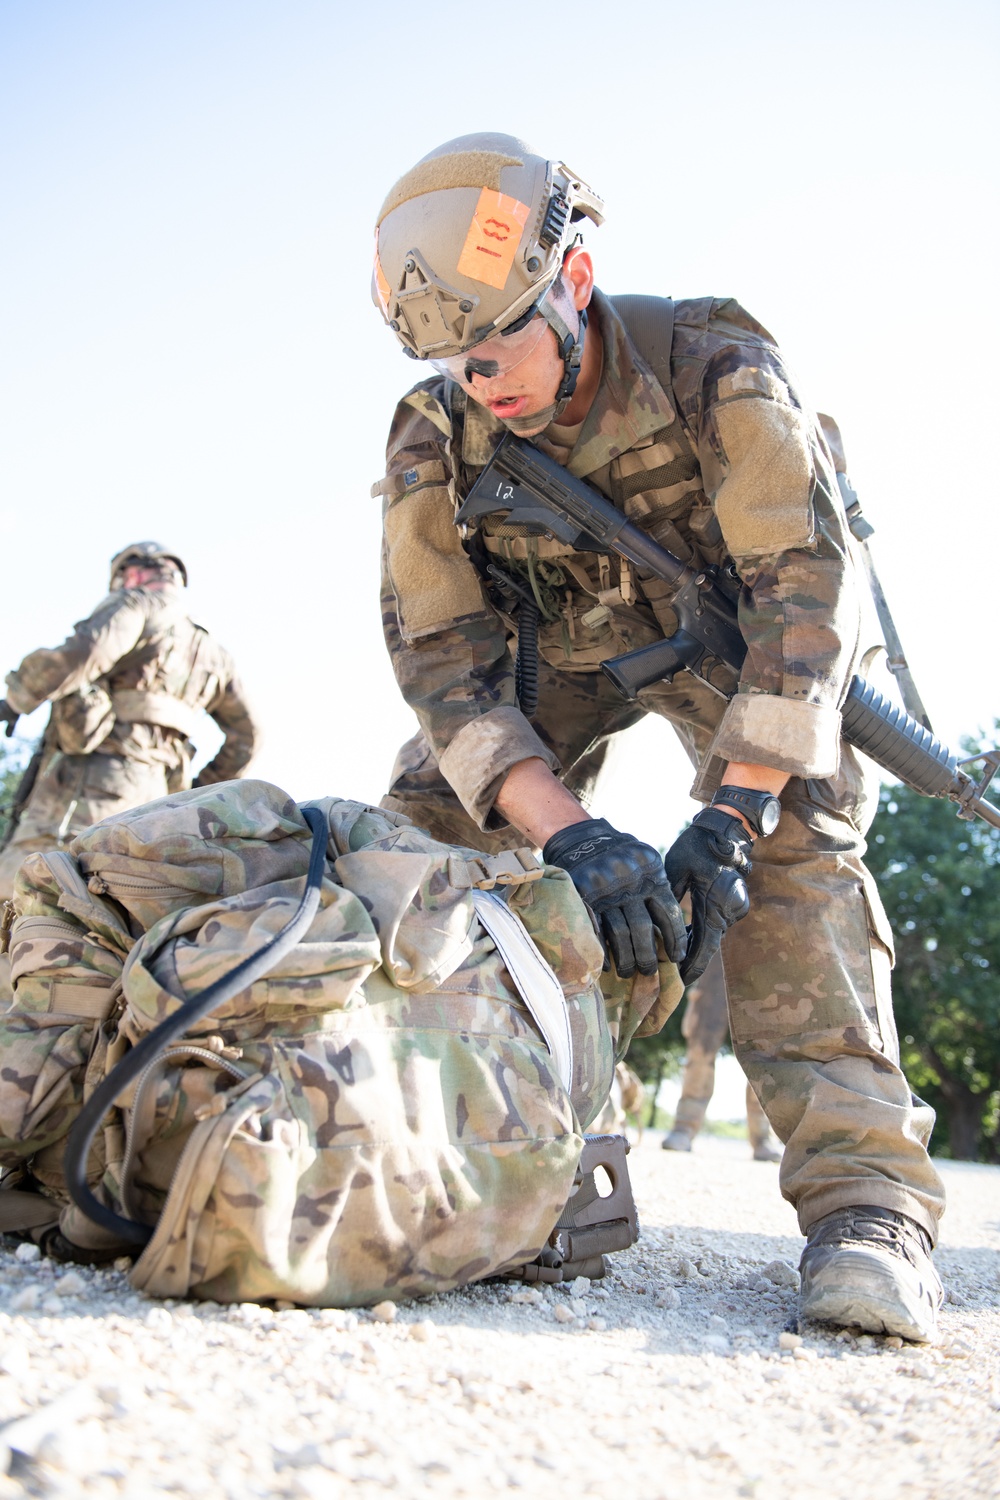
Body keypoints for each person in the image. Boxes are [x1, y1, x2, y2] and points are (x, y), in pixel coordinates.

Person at [369, 134, 947, 1341]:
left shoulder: (711, 367)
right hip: (556, 651)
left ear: (571, 282)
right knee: (420, 837)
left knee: (794, 853)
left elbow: (806, 595)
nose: (484, 385)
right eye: (457, 364)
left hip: (746, 644)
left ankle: (866, 1210)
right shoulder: (435, 433)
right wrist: (570, 835)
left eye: (499, 349)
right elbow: (444, 665)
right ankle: (403, 1127)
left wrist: (732, 816)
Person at [0, 540, 259, 910]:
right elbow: (249, 737)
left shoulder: (135, 605)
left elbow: (86, 652)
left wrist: (18, 698)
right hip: (158, 809)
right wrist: (193, 793)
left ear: (132, 574)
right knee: (121, 906)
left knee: (25, 887)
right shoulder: (214, 656)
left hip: (89, 790)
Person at [661, 948, 782, 1162]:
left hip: (769, 944)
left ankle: (763, 1136)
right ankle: (684, 1127)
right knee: (701, 1043)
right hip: (721, 941)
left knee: (767, 1050)